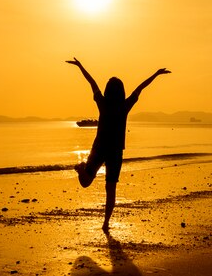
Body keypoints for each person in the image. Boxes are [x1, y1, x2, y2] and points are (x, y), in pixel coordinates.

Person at [66, 57, 170, 231]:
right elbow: (140, 87)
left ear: (108, 91)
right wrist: (156, 74)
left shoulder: (109, 103)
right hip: (104, 150)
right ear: (121, 91)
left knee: (104, 186)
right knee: (99, 185)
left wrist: (80, 66)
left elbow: (92, 82)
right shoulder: (121, 105)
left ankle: (106, 223)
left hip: (108, 150)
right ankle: (81, 168)